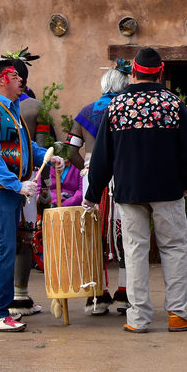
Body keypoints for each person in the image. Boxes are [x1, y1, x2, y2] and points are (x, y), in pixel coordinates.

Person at [85, 47, 187, 333]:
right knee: (174, 249)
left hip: (129, 190)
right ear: (160, 73)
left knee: (135, 250)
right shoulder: (173, 104)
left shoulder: (116, 106)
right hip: (168, 189)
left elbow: (102, 156)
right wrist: (185, 183)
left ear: (134, 72)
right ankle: (178, 315)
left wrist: (92, 193)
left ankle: (137, 319)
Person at [0, 60, 64, 331]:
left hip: (1, 189)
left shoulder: (9, 110)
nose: (22, 80)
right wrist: (16, 184)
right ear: (0, 80)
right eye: (15, 75)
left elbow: (23, 145)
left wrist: (47, 156)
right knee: (3, 248)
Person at [66, 59, 132, 315]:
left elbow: (71, 150)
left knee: (94, 234)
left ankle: (98, 295)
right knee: (125, 234)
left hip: (92, 178)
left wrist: (87, 169)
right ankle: (124, 294)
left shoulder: (86, 112)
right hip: (122, 177)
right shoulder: (127, 108)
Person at [0, 49, 51, 317]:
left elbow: (33, 147)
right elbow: (38, 146)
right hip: (20, 180)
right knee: (22, 237)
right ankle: (17, 296)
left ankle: (0, 299)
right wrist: (45, 184)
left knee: (0, 240)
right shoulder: (33, 107)